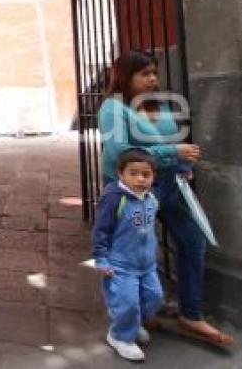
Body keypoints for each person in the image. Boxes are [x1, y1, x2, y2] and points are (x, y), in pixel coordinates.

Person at [98, 50, 233, 346]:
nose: (153, 79)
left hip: (171, 184)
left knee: (193, 240)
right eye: (144, 73)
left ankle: (191, 314)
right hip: (132, 192)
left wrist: (183, 166)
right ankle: (134, 315)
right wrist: (172, 153)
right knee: (135, 253)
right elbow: (119, 154)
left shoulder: (154, 103)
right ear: (125, 75)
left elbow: (171, 140)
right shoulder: (113, 108)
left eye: (154, 73)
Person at [92, 149, 164, 361]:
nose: (140, 179)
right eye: (133, 173)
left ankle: (130, 322)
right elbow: (101, 230)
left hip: (147, 264)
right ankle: (120, 336)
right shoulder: (114, 199)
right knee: (128, 302)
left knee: (154, 296)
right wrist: (101, 258)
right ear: (120, 174)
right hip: (121, 264)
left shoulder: (151, 197)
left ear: (153, 176)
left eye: (146, 174)